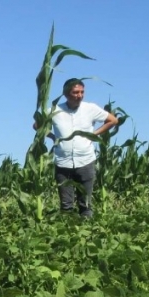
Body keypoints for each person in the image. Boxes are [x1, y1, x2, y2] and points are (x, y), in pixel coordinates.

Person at [41, 78, 118, 218]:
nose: (80, 95)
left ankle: (86, 232)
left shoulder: (90, 109)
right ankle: (66, 232)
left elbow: (113, 120)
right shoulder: (55, 111)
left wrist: (94, 134)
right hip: (62, 162)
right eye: (75, 92)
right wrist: (52, 136)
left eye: (82, 92)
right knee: (66, 204)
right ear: (66, 94)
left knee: (86, 204)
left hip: (86, 161)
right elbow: (37, 125)